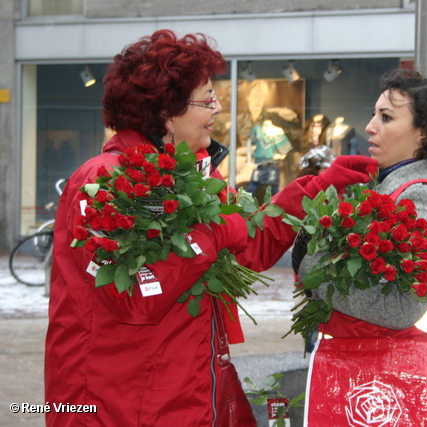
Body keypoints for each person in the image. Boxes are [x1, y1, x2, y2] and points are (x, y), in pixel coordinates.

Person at [44, 29, 377, 427]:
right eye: (207, 100)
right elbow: (132, 294)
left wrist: (318, 186)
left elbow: (250, 243)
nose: (218, 108)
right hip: (117, 402)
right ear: (166, 110)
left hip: (188, 391)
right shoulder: (104, 181)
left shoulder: (195, 176)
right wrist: (213, 234)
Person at [296, 69, 427, 426]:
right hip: (389, 376)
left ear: (424, 132)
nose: (370, 127)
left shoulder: (420, 198)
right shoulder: (394, 189)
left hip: (399, 383)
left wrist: (315, 271)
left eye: (386, 117)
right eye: (375, 114)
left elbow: (401, 306)